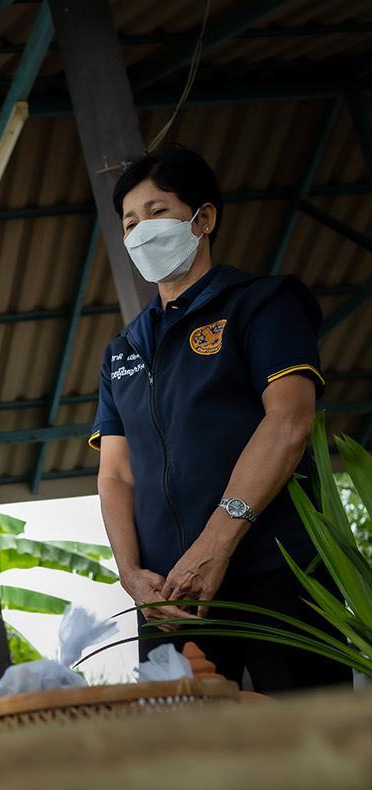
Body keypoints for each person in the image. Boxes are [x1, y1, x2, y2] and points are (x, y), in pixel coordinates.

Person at [91, 143, 351, 691]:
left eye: (157, 212)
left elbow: (288, 422)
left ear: (202, 218)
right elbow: (116, 473)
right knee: (187, 759)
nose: (141, 232)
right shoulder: (122, 351)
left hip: (277, 570)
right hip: (170, 597)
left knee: (312, 743)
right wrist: (131, 573)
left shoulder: (262, 303)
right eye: (129, 222)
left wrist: (215, 543)